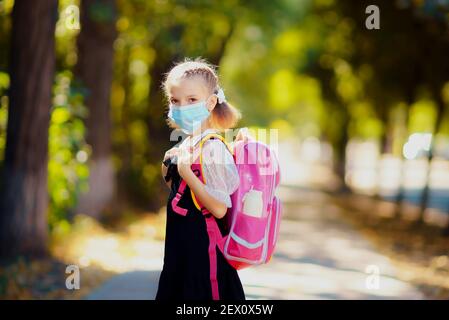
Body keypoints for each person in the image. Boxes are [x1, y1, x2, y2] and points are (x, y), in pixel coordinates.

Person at [156, 57, 246, 300]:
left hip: (206, 261)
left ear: (211, 102)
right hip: (180, 256)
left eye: (191, 100)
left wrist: (187, 174)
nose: (182, 107)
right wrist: (170, 171)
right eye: (175, 100)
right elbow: (182, 197)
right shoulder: (185, 146)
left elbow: (218, 208)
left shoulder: (212, 148)